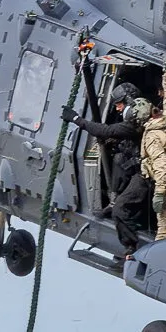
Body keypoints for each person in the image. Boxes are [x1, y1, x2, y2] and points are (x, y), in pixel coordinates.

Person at [63, 82, 149, 252]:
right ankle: (113, 200)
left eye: (119, 104)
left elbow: (107, 130)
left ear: (128, 101)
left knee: (119, 211)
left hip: (145, 174)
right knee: (118, 158)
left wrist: (76, 119)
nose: (117, 109)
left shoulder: (135, 122)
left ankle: (131, 246)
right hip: (137, 165)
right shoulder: (140, 115)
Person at [135, 68, 166, 241]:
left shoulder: (151, 137)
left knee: (164, 229)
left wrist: (160, 193)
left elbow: (161, 165)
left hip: (165, 181)